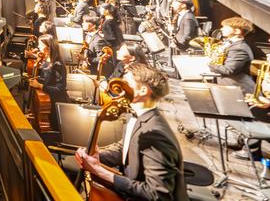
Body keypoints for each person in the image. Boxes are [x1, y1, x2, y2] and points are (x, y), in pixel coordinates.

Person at [75, 63, 188, 201]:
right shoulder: (135, 115)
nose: (120, 88)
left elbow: (157, 194)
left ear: (143, 91)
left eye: (126, 83)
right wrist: (96, 156)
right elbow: (125, 148)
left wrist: (99, 171)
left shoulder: (155, 133)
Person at [207, 17, 255, 93]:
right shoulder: (233, 45)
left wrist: (208, 65)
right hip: (229, 86)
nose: (221, 29)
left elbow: (229, 70)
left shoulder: (239, 48)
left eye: (225, 27)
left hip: (237, 88)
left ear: (237, 31)